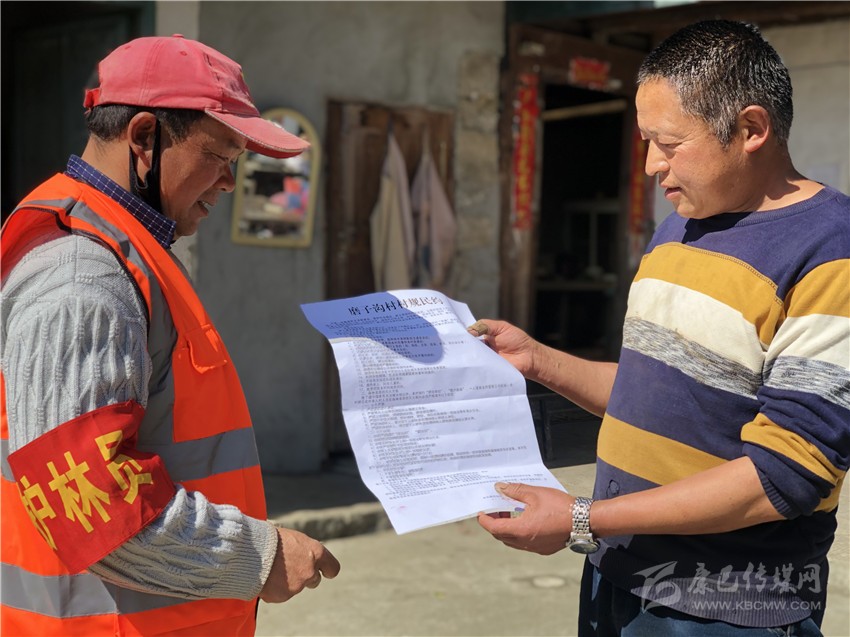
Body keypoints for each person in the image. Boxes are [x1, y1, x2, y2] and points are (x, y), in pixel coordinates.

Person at [473, 19, 848, 636]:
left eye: (668, 143)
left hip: (729, 607)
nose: (651, 165)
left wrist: (583, 518)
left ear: (751, 129)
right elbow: (657, 391)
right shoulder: (680, 228)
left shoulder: (831, 252)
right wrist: (537, 360)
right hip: (618, 575)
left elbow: (786, 473)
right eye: (646, 141)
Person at [1, 35, 339, 636]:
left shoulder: (126, 251)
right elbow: (97, 511)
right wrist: (259, 556)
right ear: (143, 138)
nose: (229, 182)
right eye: (220, 155)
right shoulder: (82, 275)